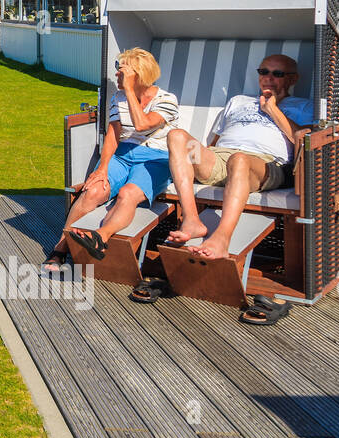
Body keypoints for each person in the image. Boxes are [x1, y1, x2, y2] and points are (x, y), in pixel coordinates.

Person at [43, 48, 180, 272]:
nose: (116, 74)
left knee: (128, 194)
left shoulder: (167, 99)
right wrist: (102, 168)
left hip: (156, 157)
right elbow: (114, 134)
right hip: (123, 153)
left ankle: (101, 237)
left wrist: (128, 89)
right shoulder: (118, 98)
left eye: (121, 69)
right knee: (94, 191)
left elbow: (142, 125)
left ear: (138, 73)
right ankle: (60, 248)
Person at [165, 53, 313, 260]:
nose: (268, 77)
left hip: (265, 164)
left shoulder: (304, 106)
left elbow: (303, 141)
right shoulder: (238, 100)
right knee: (177, 136)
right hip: (221, 158)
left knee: (239, 159)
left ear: (293, 79)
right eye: (263, 72)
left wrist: (273, 110)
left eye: (277, 73)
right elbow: (215, 143)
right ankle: (192, 220)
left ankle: (222, 238)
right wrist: (200, 158)